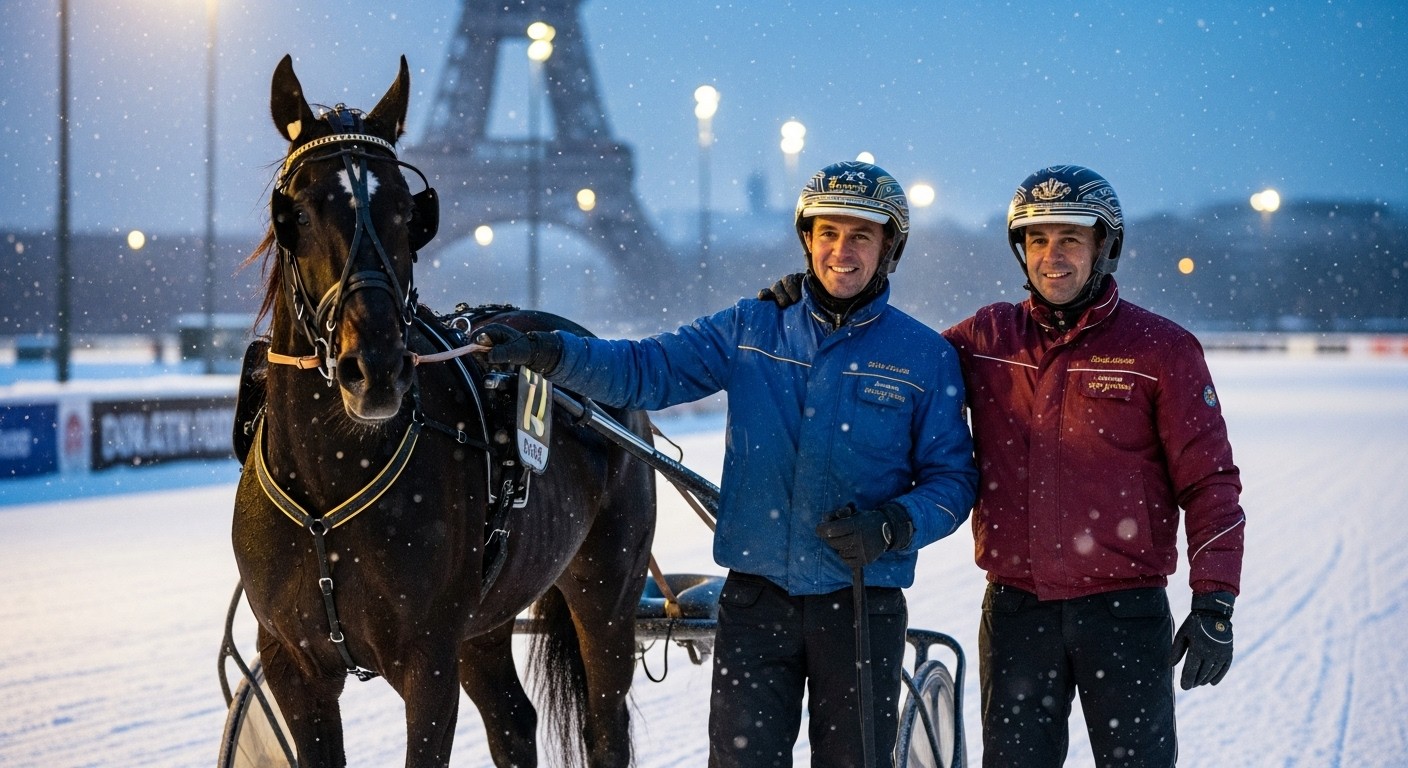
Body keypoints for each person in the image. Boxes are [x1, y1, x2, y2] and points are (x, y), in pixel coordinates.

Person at [474, 160, 978, 767]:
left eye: (861, 236)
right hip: (757, 602)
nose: (841, 251)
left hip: (862, 606)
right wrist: (550, 352)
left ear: (889, 249)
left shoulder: (924, 356)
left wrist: (895, 524)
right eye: (828, 234)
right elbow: (644, 369)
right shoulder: (750, 328)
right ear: (807, 239)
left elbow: (953, 480)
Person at [760, 165, 1246, 767]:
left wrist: (1215, 603)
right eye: (1037, 240)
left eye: (1071, 239)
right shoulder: (987, 337)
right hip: (1018, 613)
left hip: (1124, 615)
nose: (1053, 257)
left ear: (1106, 247)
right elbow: (890, 360)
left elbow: (1210, 485)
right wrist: (810, 306)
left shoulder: (1161, 350)